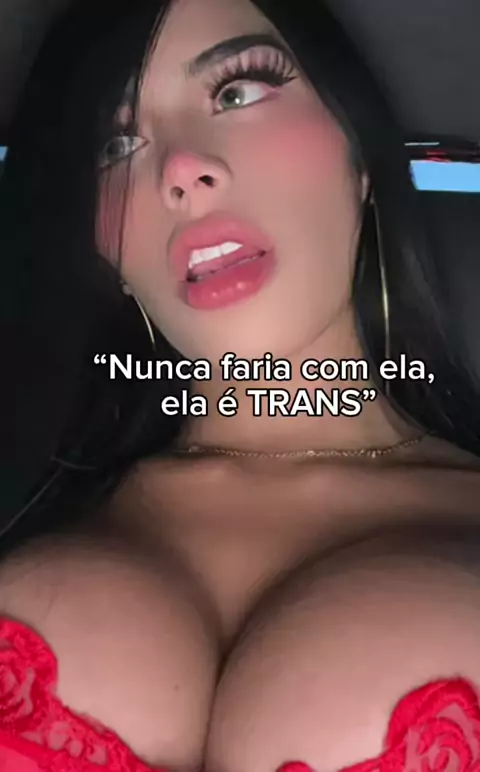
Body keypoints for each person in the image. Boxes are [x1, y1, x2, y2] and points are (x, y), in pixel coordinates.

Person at [2, 0, 480, 770]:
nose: (181, 170)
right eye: (115, 143)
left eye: (239, 91)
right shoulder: (26, 494)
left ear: (361, 157)